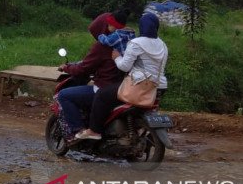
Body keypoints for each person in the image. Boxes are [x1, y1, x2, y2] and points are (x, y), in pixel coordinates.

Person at [76, 12, 168, 140]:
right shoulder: (162, 44)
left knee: (102, 95)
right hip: (160, 86)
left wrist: (117, 57)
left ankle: (94, 130)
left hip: (140, 85)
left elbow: (125, 66)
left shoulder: (136, 43)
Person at [56, 9, 129, 140]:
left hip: (103, 89)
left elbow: (83, 69)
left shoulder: (101, 46)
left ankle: (78, 131)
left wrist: (66, 67)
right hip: (122, 88)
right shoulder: (126, 42)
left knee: (64, 95)